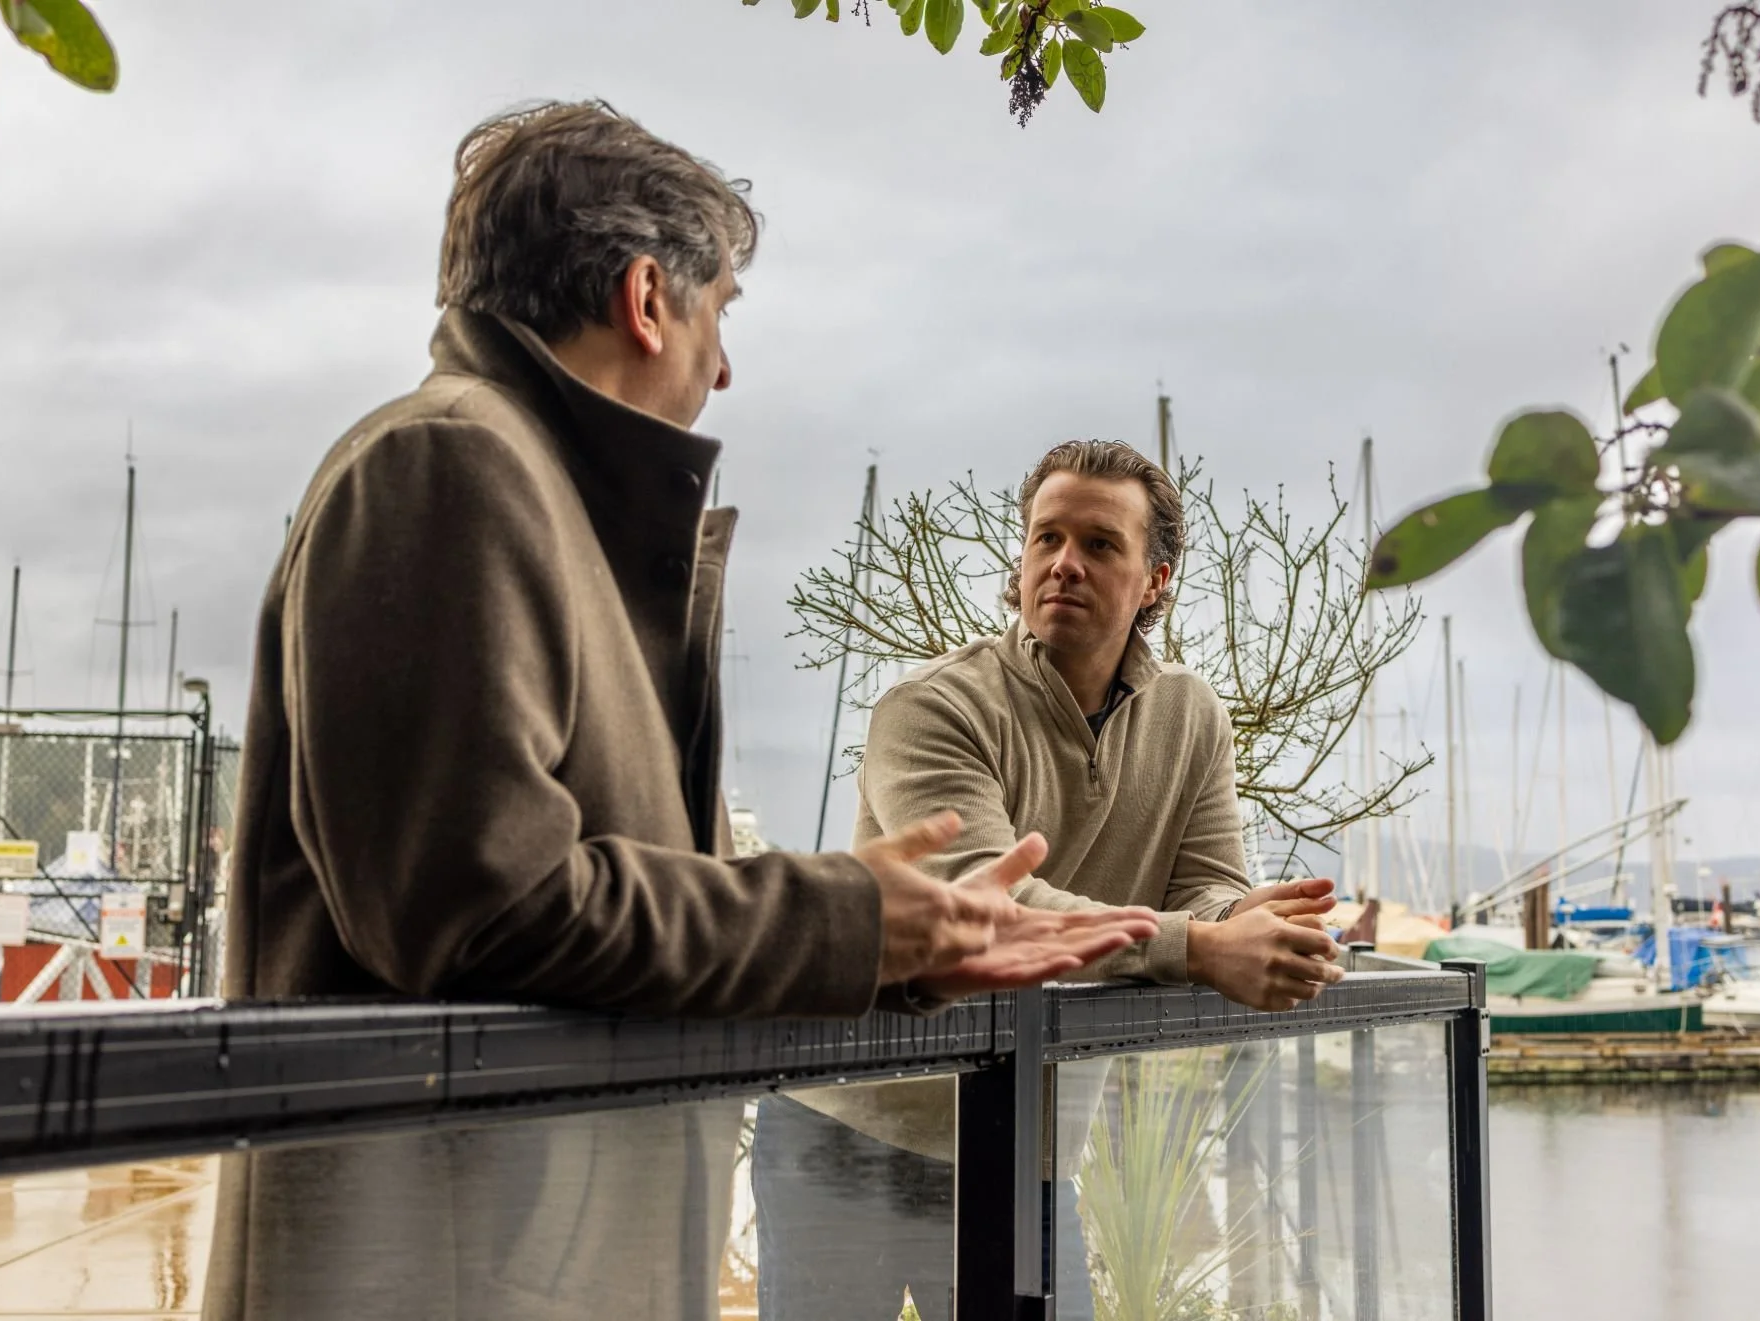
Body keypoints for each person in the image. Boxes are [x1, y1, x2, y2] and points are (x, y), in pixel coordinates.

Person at [202, 104, 1160, 1321]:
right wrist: (855, 920)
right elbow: (482, 905)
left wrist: (899, 957)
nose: (723, 368)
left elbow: (636, 919)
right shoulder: (446, 464)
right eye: (721, 314)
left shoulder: (540, 501)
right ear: (649, 298)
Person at [753, 440, 1344, 1321]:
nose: (1064, 562)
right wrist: (1203, 946)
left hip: (1025, 1138)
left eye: (1099, 544)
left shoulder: (1191, 716)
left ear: (1155, 580)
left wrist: (1244, 917)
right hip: (845, 1126)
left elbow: (1207, 886)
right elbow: (987, 910)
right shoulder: (930, 706)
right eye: (1046, 538)